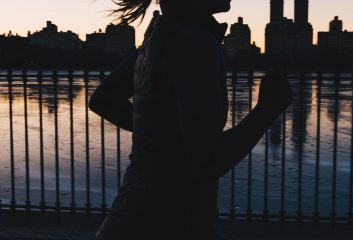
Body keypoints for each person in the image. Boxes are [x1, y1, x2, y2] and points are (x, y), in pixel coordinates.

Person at [89, 0, 293, 239]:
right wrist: (268, 109)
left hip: (134, 217)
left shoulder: (162, 35)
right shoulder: (194, 43)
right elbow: (208, 161)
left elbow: (104, 100)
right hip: (166, 221)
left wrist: (163, 136)